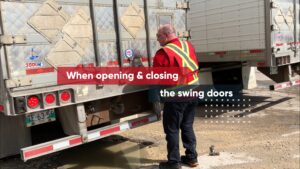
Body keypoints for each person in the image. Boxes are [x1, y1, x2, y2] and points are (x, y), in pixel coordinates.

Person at [153, 24, 199, 169]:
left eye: (158, 36)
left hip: (177, 96)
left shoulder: (162, 53)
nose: (157, 39)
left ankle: (173, 163)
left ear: (166, 36)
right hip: (193, 91)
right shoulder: (187, 45)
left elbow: (157, 78)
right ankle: (191, 158)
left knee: (172, 129)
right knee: (187, 125)